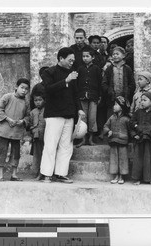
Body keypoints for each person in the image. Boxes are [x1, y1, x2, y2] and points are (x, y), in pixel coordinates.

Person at [39, 47, 85, 183]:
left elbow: (76, 94)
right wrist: (66, 81)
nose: (72, 63)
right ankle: (47, 174)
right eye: (70, 60)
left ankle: (61, 173)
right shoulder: (49, 72)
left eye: (73, 61)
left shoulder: (72, 73)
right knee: (50, 144)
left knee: (66, 145)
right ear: (61, 59)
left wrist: (79, 109)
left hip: (69, 114)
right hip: (54, 114)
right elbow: (48, 89)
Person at [0, 78, 30, 181]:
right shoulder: (7, 97)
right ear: (16, 87)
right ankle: (0, 175)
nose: (24, 90)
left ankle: (14, 174)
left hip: (17, 131)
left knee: (16, 153)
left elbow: (28, 116)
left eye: (26, 89)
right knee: (2, 151)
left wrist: (22, 121)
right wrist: (8, 119)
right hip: (5, 129)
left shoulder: (26, 102)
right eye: (22, 87)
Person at [76, 46, 102, 147]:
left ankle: (91, 139)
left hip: (93, 97)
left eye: (87, 56)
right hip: (82, 96)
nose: (85, 58)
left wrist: (99, 96)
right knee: (83, 118)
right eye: (83, 56)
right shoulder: (80, 69)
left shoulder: (96, 69)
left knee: (92, 118)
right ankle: (83, 139)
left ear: (93, 57)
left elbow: (100, 83)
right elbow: (77, 83)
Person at [130, 92, 151, 185]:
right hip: (139, 138)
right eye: (141, 100)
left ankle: (148, 178)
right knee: (138, 158)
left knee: (148, 158)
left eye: (145, 100)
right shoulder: (138, 112)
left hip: (149, 139)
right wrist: (135, 134)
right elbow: (132, 123)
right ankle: (137, 178)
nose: (142, 102)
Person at [102, 46, 135, 119]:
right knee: (111, 117)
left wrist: (126, 94)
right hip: (112, 99)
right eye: (113, 54)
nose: (115, 56)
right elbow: (104, 83)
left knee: (124, 117)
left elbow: (132, 84)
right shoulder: (109, 69)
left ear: (123, 55)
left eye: (117, 54)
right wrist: (110, 92)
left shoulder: (127, 68)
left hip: (124, 99)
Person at [103, 96, 130, 184]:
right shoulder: (111, 117)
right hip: (113, 141)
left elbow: (130, 130)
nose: (114, 106)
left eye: (116, 104)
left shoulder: (126, 119)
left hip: (123, 142)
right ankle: (116, 176)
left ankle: (122, 176)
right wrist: (108, 131)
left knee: (123, 159)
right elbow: (106, 126)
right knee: (114, 159)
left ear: (122, 107)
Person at [29, 91, 46, 179]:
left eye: (40, 100)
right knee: (37, 155)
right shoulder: (33, 112)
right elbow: (30, 124)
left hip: (45, 137)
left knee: (45, 154)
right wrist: (33, 130)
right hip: (36, 137)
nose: (38, 102)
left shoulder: (47, 110)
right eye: (36, 100)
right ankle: (38, 172)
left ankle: (44, 172)